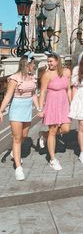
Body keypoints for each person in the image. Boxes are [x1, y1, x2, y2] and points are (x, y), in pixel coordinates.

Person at [0, 53, 39, 181]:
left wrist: (39, 108)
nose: (35, 66)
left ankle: (13, 152)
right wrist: (1, 110)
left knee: (24, 135)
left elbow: (34, 94)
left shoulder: (32, 78)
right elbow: (7, 96)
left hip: (27, 109)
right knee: (17, 138)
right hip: (16, 109)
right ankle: (18, 167)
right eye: (33, 64)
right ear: (27, 65)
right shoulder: (14, 79)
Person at [38, 53, 71, 171]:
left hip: (64, 104)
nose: (49, 63)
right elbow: (42, 92)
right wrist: (40, 108)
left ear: (58, 61)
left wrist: (71, 104)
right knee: (53, 131)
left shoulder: (67, 72)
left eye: (51, 61)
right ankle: (52, 159)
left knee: (66, 129)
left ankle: (44, 135)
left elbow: (69, 89)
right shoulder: (47, 74)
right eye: (48, 61)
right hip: (52, 104)